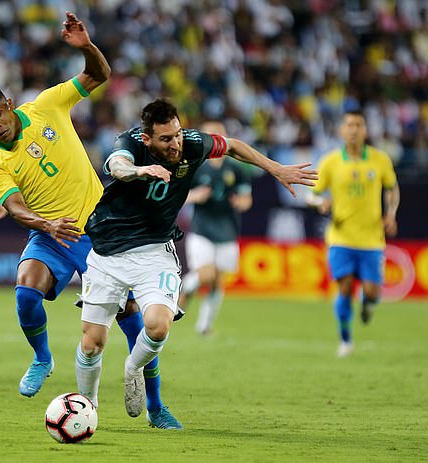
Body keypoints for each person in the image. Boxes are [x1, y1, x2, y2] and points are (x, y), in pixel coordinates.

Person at [0, 12, 181, 429]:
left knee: (136, 325)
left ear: (8, 103)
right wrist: (46, 226)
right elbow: (12, 207)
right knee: (25, 289)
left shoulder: (47, 105)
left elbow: (99, 74)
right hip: (51, 234)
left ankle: (155, 407)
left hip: (102, 233)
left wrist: (84, 45)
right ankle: (42, 358)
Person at [76, 99, 317, 423]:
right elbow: (117, 165)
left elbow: (233, 146)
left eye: (176, 134)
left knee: (158, 327)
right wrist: (139, 171)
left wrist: (274, 168)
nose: (175, 143)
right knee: (92, 344)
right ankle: (87, 408)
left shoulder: (192, 143)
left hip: (154, 252)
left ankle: (133, 368)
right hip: (109, 251)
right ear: (147, 139)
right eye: (165, 139)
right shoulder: (129, 143)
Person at [306, 110, 399, 358]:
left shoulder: (380, 160)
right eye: (349, 125)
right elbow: (311, 194)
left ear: (366, 130)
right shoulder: (331, 161)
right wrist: (320, 204)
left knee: (371, 292)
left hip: (372, 238)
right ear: (341, 131)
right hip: (340, 237)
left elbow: (391, 188)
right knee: (345, 287)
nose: (354, 129)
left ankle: (368, 306)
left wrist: (391, 213)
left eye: (358, 124)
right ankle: (345, 339)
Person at [180, 121, 253, 336]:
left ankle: (204, 326)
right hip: (202, 228)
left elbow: (247, 198)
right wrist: (195, 196)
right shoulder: (194, 166)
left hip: (227, 230)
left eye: (219, 134)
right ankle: (185, 287)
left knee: (217, 282)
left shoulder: (236, 169)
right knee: (206, 275)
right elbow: (179, 197)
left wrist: (241, 202)